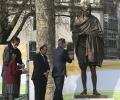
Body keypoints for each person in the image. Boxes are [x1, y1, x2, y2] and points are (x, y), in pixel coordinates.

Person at [71, 2, 104, 95]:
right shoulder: (78, 20)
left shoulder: (95, 20)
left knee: (93, 68)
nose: (88, 11)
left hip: (91, 46)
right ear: (83, 10)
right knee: (83, 68)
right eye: (86, 10)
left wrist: (90, 33)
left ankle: (94, 90)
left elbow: (100, 33)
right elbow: (74, 34)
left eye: (89, 10)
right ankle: (84, 90)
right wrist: (81, 34)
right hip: (81, 46)